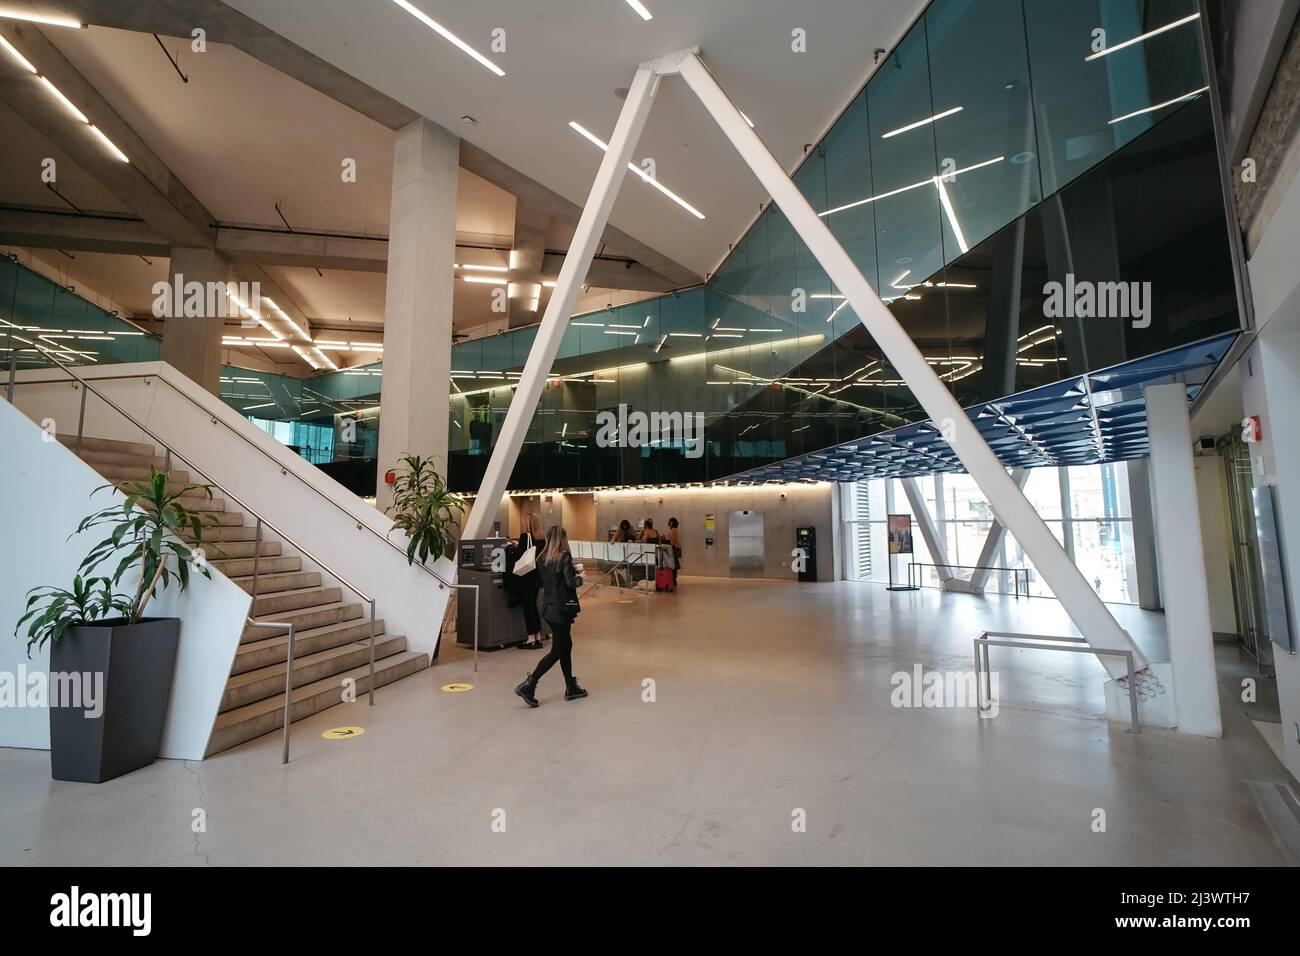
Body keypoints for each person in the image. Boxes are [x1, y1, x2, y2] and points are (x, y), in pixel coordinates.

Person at [515, 526, 588, 706]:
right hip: (561, 610)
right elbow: (570, 583)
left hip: (549, 608)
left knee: (566, 645)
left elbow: (547, 582)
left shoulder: (542, 558)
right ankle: (529, 684)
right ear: (563, 539)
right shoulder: (564, 556)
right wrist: (581, 577)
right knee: (558, 650)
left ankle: (571, 686)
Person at [514, 510, 544, 650]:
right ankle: (537, 637)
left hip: (526, 577)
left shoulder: (525, 537)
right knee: (534, 607)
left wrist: (513, 547)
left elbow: (519, 556)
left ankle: (531, 639)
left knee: (528, 608)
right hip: (536, 577)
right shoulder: (541, 538)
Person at [667, 516, 681, 587]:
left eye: (669, 521)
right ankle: (674, 579)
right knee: (675, 564)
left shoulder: (672, 530)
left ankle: (673, 579)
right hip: (676, 548)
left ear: (671, 522)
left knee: (672, 564)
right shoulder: (676, 529)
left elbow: (671, 541)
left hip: (672, 548)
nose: (668, 523)